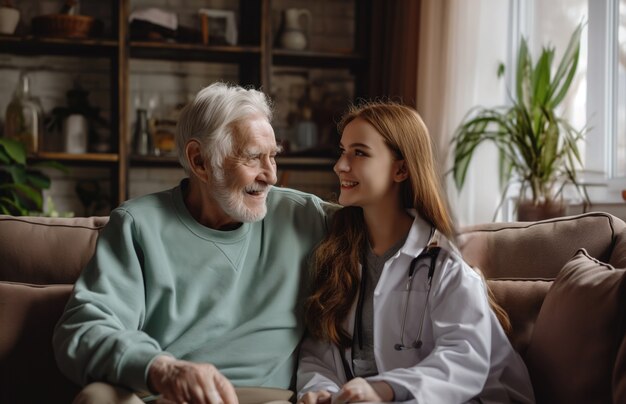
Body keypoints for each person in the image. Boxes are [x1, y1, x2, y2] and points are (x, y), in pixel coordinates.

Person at [53, 82, 336, 404]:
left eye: (273, 156)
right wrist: (163, 370)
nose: (270, 175)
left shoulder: (306, 216)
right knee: (98, 399)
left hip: (268, 398)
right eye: (254, 158)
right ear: (199, 160)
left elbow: (394, 223)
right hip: (168, 394)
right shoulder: (139, 224)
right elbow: (83, 329)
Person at [296, 102, 535, 403]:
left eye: (359, 152)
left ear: (401, 169)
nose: (340, 165)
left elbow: (464, 359)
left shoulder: (445, 262)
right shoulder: (338, 254)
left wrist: (384, 389)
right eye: (342, 151)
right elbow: (319, 352)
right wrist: (321, 392)